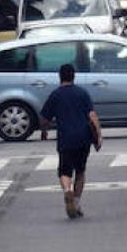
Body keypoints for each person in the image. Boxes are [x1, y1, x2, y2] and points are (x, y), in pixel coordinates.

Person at [40, 63, 102, 219]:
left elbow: (45, 119)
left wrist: (44, 131)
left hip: (65, 139)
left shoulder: (56, 95)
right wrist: (99, 136)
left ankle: (67, 190)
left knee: (65, 171)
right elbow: (92, 116)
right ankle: (76, 202)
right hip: (83, 139)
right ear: (74, 76)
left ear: (60, 76)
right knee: (80, 172)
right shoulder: (82, 93)